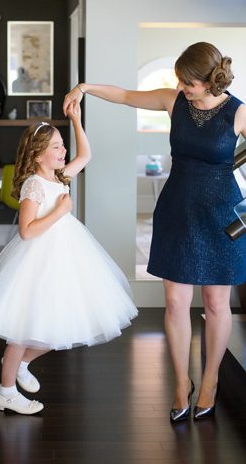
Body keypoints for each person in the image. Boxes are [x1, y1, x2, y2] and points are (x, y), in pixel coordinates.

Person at [63, 41, 246, 421]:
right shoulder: (173, 100)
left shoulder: (239, 112)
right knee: (176, 303)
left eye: (189, 83)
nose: (182, 88)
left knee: (215, 303)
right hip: (177, 209)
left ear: (211, 80)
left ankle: (209, 380)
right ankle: (182, 383)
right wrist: (84, 88)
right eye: (179, 81)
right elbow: (127, 95)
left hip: (221, 216)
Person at [0, 105, 138, 414]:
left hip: (67, 259)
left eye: (62, 144)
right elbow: (27, 233)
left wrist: (77, 121)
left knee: (57, 328)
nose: (64, 150)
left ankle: (19, 362)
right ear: (38, 155)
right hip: (37, 261)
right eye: (56, 146)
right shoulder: (34, 185)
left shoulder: (60, 175)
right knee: (25, 327)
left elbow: (85, 156)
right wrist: (59, 212)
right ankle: (6, 391)